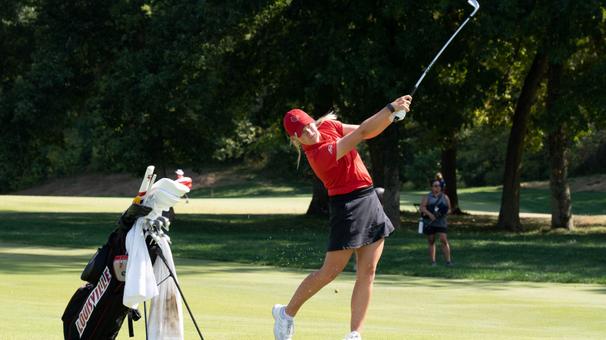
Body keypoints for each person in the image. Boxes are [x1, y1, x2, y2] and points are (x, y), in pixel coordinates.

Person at [272, 95, 412, 340]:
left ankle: (355, 334)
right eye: (303, 132)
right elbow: (361, 135)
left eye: (309, 124)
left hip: (368, 199)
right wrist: (389, 108)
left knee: (368, 271)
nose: (310, 131)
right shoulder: (318, 155)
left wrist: (390, 118)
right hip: (346, 206)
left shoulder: (328, 126)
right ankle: (286, 313)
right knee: (330, 272)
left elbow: (364, 130)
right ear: (295, 138)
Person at [420, 178, 452, 266]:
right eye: (435, 186)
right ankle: (433, 261)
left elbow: (449, 209)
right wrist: (430, 215)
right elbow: (422, 208)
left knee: (443, 239)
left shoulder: (445, 197)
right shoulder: (427, 197)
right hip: (430, 222)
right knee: (431, 240)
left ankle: (448, 261)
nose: (437, 188)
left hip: (441, 222)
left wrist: (443, 213)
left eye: (439, 186)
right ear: (432, 187)